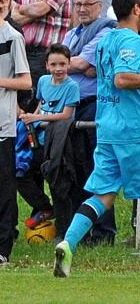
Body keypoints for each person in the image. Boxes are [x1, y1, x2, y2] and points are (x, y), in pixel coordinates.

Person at [53, 0, 140, 279]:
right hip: (138, 131)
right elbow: (123, 78)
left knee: (103, 194)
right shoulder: (131, 39)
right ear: (136, 9)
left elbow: (122, 71)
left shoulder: (106, 39)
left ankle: (68, 243)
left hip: (108, 128)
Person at [62, 0, 118, 244]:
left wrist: (73, 63)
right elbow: (61, 65)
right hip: (72, 106)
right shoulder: (72, 34)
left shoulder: (106, 32)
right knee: (77, 168)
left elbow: (82, 63)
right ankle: (81, 232)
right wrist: (72, 65)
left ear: (100, 6)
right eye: (79, 4)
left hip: (96, 104)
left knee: (99, 169)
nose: (83, 9)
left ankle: (104, 232)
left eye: (88, 4)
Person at [19, 44, 80, 239]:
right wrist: (32, 117)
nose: (58, 69)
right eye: (53, 64)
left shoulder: (72, 86)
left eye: (62, 64)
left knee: (58, 186)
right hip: (39, 141)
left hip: (59, 145)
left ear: (69, 64)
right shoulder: (44, 81)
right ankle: (45, 207)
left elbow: (66, 115)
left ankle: (62, 235)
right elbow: (40, 104)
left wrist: (37, 118)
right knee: (21, 173)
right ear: (46, 65)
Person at [0, 0, 32, 266]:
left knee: (4, 188)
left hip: (3, 126)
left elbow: (25, 81)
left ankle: (3, 250)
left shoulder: (12, 37)